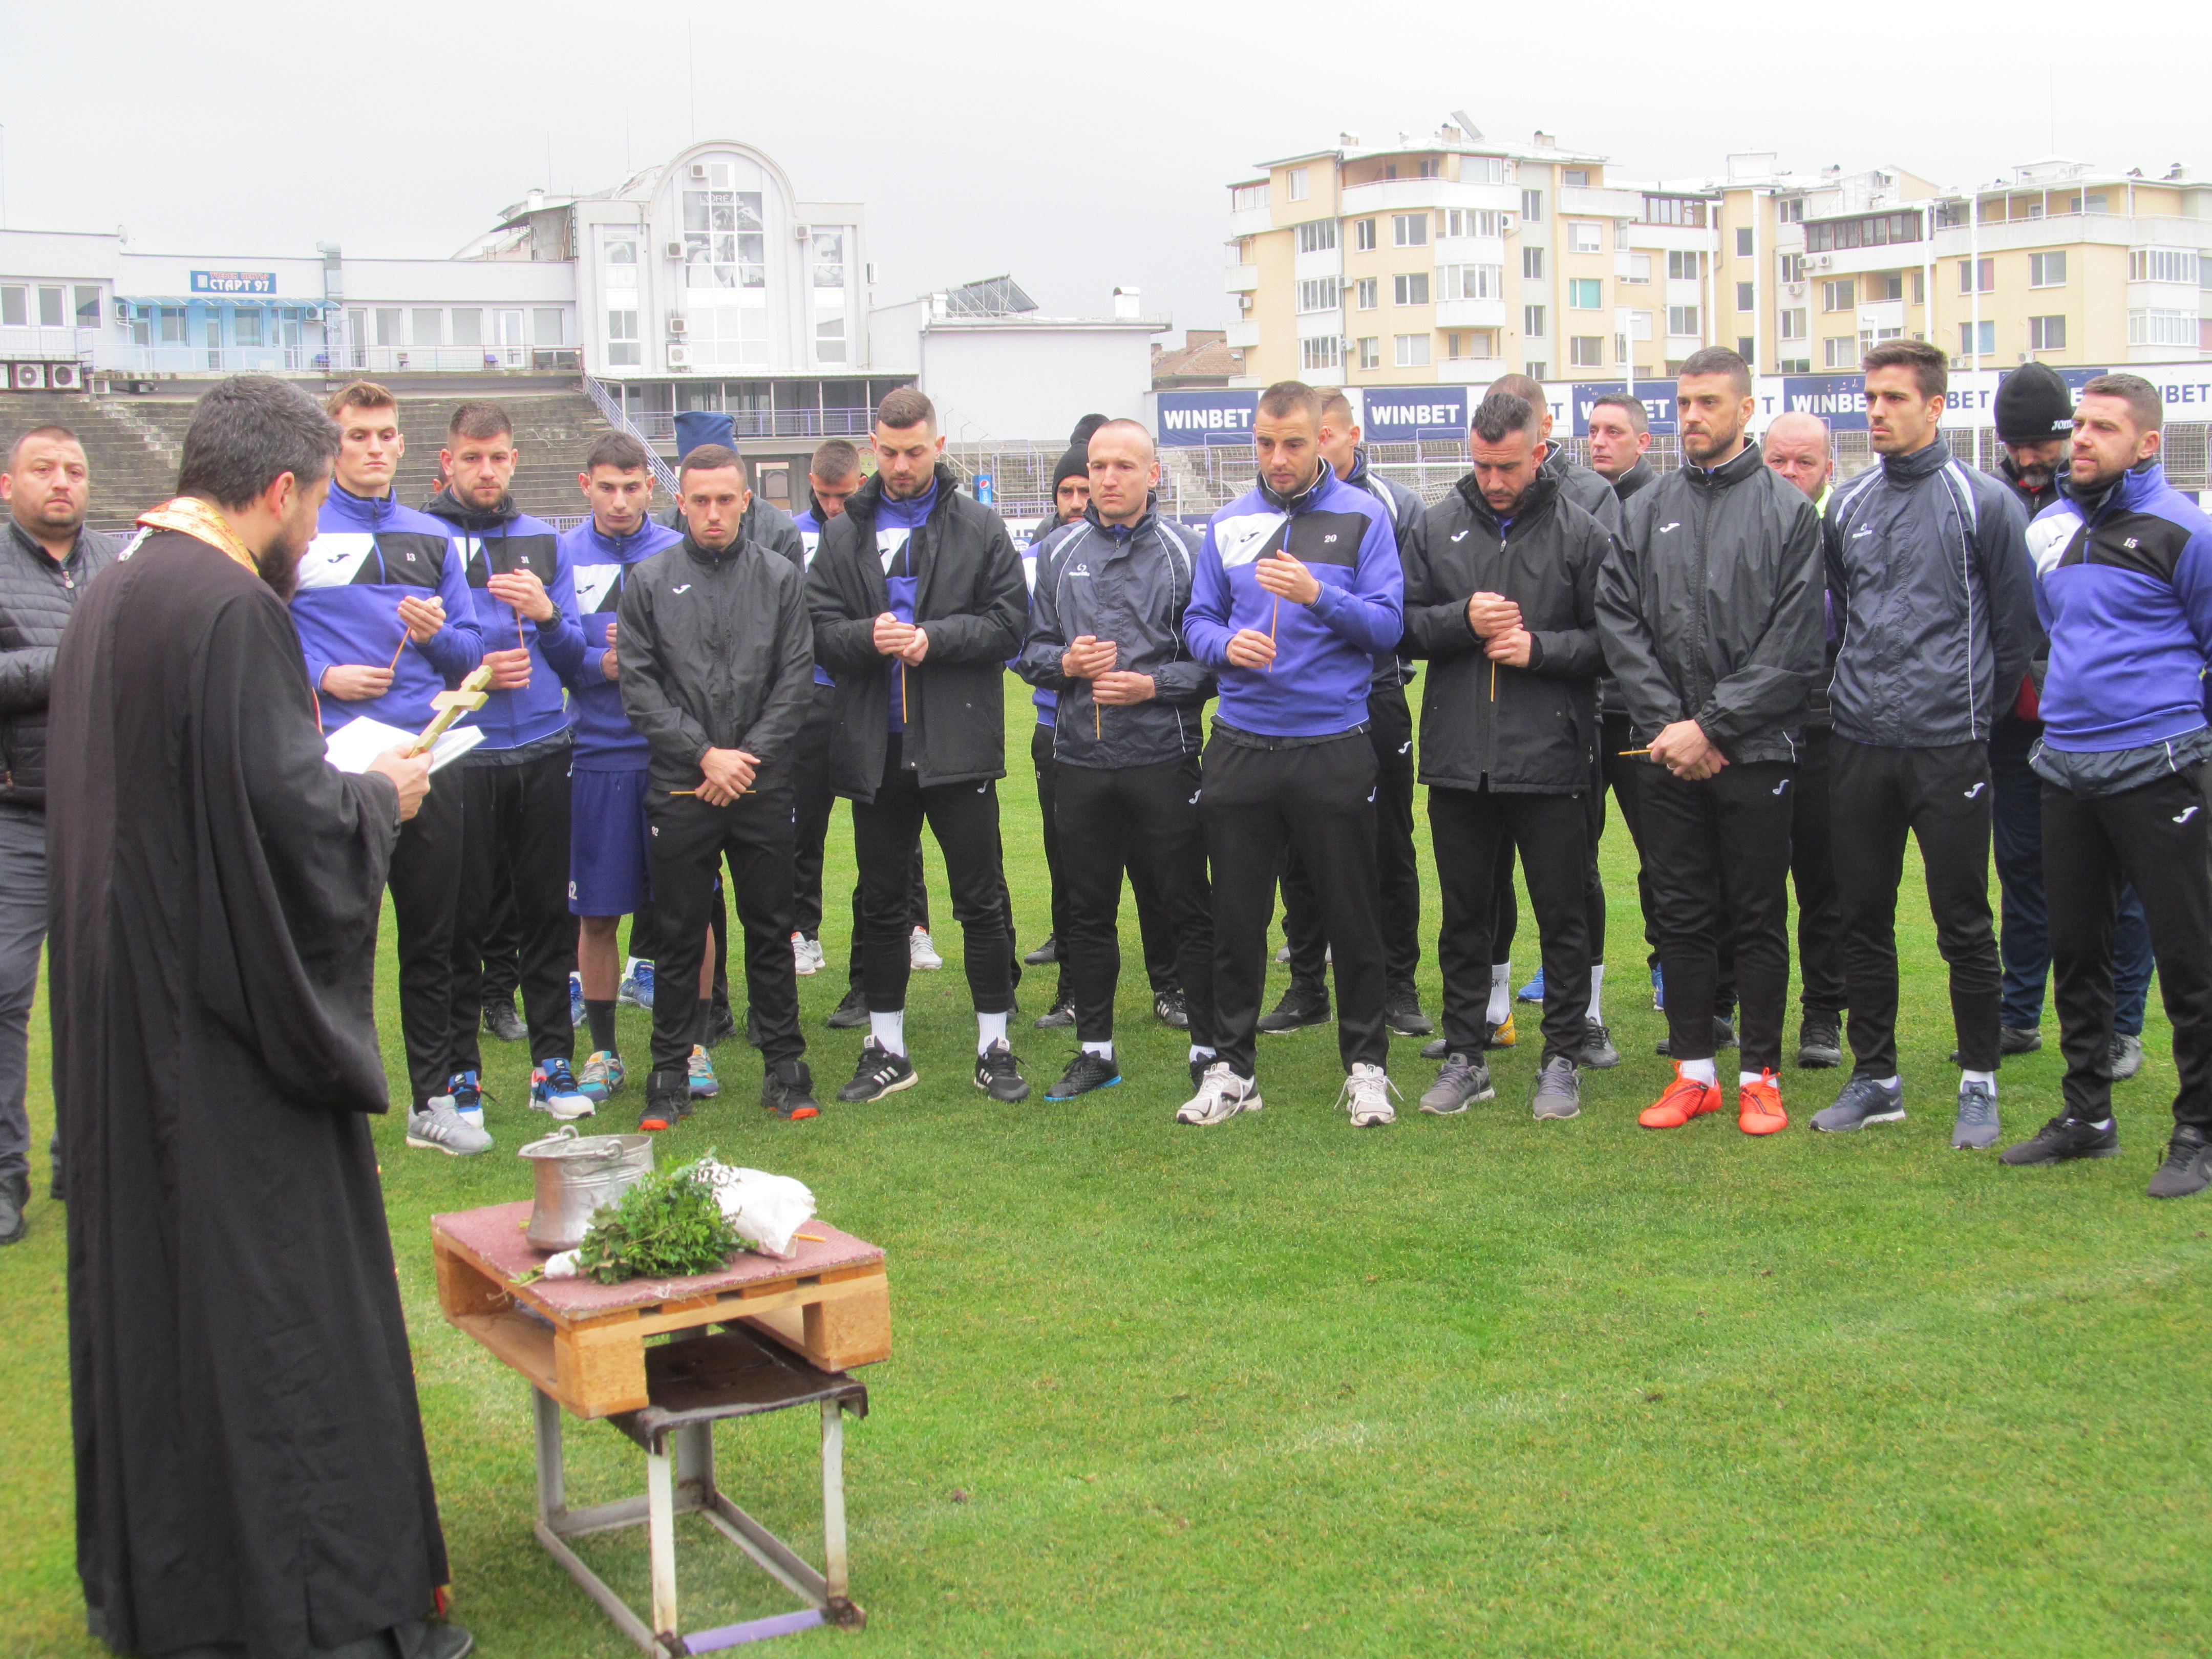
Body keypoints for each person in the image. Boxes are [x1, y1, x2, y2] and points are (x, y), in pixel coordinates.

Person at [48, 375, 467, 1658]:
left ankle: (176, 1586)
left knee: (164, 1303)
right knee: (276, 1306)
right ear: (281, 489)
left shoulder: (118, 580)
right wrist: (380, 798)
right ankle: (317, 1605)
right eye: (316, 502)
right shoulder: (232, 606)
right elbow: (286, 828)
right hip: (222, 1032)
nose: (313, 529)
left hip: (129, 1010)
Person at [1811, 342, 2036, 1148]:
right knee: (1861, 917)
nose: (1877, 411)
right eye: (1870, 396)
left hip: (1949, 746)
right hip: (1860, 744)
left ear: (1935, 407)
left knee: (1963, 920)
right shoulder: (1847, 504)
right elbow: (1842, 616)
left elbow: (2015, 632)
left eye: (1895, 398)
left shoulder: (1984, 503)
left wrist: (1971, 716)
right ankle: (1876, 1077)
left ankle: (1980, 1081)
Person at [1597, 347, 1822, 1137]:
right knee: (1681, 913)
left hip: (1753, 751)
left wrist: (1713, 726)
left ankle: (1761, 1076)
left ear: (1745, 409)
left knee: (1757, 915)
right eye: (1684, 403)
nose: (1692, 416)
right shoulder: (1645, 507)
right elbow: (1620, 621)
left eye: (1709, 403)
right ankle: (1694, 1073)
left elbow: (1794, 646)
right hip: (1667, 752)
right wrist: (1674, 727)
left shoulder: (1789, 512)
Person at [2003, 374, 2212, 1198]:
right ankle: (2086, 1115)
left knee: (2188, 957)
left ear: (2148, 444)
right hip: (2066, 767)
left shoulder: (2186, 530)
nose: (2083, 438)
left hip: (2161, 770)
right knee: (2077, 951)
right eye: (2081, 424)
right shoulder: (2050, 529)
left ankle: (2198, 1131)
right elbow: (2056, 635)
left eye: (2105, 428)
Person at [1179, 380, 1405, 1127]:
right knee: (1237, 918)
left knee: (1352, 914)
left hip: (1332, 743)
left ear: (1323, 441)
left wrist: (1317, 595)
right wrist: (1225, 645)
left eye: (1294, 444)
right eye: (1266, 443)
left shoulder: (1364, 516)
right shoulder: (1228, 522)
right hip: (1242, 743)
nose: (1278, 458)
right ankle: (1233, 1071)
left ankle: (1367, 1069)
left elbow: (1388, 628)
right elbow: (1198, 621)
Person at [806, 388, 1031, 1103]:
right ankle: (887, 1049)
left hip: (958, 743)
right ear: (873, 448)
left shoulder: (978, 525)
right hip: (876, 748)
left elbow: (1011, 623)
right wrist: (865, 638)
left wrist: (935, 639)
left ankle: (994, 1046)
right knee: (880, 904)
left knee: (980, 900)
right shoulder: (843, 533)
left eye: (914, 452)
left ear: (938, 447)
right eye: (890, 452)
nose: (901, 466)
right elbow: (818, 632)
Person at [293, 382, 490, 1156]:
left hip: (426, 758)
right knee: (333, 938)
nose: (374, 448)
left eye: (385, 435)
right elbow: (261, 629)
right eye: (358, 436)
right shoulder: (303, 529)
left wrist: (437, 635)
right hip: (338, 765)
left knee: (434, 937)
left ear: (403, 445)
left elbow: (471, 656)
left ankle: (432, 1100)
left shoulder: (431, 537)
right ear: (333, 444)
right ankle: (325, 1105)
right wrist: (323, 676)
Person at [1401, 389, 1609, 1119]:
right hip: (1459, 761)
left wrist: (1539, 649)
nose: (1493, 480)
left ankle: (1562, 1058)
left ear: (1539, 452)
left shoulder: (1582, 532)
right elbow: (1401, 627)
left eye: (1508, 467)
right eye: (1483, 465)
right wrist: (1461, 619)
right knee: (1464, 917)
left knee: (1562, 916)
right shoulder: (1436, 526)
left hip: (1551, 759)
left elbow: (1612, 642)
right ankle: (1467, 1056)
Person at [620, 444, 819, 1127]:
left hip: (761, 785)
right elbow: (640, 688)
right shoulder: (649, 580)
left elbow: (796, 681)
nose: (712, 513)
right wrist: (705, 755)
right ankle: (670, 1074)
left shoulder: (781, 577)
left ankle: (785, 1068)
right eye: (699, 500)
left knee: (771, 928)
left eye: (725, 500)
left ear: (746, 502)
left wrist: (745, 760)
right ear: (680, 502)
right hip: (684, 786)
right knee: (678, 934)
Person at [1018, 419, 1217, 1101]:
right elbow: (1030, 652)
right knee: (1088, 910)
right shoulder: (1057, 550)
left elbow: (1215, 663)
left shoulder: (1187, 551)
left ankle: (1209, 1048)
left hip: (1165, 755)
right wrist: (1066, 663)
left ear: (1152, 474)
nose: (1107, 478)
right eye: (1098, 466)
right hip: (1080, 758)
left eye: (1123, 466)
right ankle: (1095, 1051)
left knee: (1187, 904)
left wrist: (1150, 686)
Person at [427, 403, 600, 1128]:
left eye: (498, 457)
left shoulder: (543, 541)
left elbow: (577, 659)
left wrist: (549, 616)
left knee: (547, 918)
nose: (487, 471)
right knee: (461, 922)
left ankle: (552, 1065)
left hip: (544, 747)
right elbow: (411, 658)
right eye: (472, 458)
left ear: (515, 459)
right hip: (462, 756)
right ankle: (460, 1073)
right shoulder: (424, 539)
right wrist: (473, 672)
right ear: (448, 462)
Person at [1987, 361, 2156, 1078]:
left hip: (2103, 722)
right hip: (2013, 726)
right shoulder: (1990, 500)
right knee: (2023, 870)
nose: (2031, 457)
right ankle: (2019, 1013)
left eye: (2043, 442)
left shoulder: (2113, 504)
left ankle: (2122, 1026)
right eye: (2017, 443)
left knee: (2124, 878)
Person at [1261, 393, 1432, 1042]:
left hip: (1375, 695)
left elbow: (1400, 614)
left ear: (1342, 437)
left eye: (1312, 438)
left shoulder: (1388, 506)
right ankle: (1308, 984)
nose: (1292, 453)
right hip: (1292, 709)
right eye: (1273, 442)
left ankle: (1398, 985)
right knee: (1296, 850)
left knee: (1388, 844)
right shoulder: (1267, 512)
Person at [0, 427, 118, 1244]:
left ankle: (86, 1158)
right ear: (9, 485)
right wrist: (72, 656)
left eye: (74, 469)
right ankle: (4, 1176)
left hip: (109, 812)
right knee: (6, 993)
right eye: (43, 469)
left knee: (101, 994)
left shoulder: (119, 561)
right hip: (19, 814)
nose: (61, 482)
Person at [793, 443, 941, 1032]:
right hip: (813, 698)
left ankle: (893, 952)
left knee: (887, 844)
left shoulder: (880, 527)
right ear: (811, 484)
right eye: (824, 497)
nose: (835, 507)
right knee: (805, 830)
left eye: (843, 496)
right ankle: (803, 933)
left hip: (877, 702)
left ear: (862, 479)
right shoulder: (794, 536)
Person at [556, 432, 685, 1108]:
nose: (619, 500)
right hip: (599, 757)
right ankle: (603, 1052)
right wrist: (595, 662)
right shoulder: (563, 555)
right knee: (599, 914)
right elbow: (551, 646)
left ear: (650, 487)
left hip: (672, 757)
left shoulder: (675, 553)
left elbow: (701, 650)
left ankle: (692, 1047)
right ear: (586, 486)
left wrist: (641, 655)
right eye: (607, 487)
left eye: (632, 487)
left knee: (688, 910)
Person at [1760, 411, 1848, 1068]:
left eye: (1805, 463)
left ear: (1828, 468)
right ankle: (1727, 1003)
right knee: (1746, 880)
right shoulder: (1740, 520)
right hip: (1750, 725)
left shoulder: (1844, 527)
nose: (1791, 474)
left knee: (1824, 879)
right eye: (1779, 461)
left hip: (1823, 726)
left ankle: (1823, 1014)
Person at [1586, 391, 1655, 501]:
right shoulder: (1573, 498)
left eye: (1613, 432)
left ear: (1641, 443)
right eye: (1593, 432)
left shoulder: (1664, 500)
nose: (1598, 442)